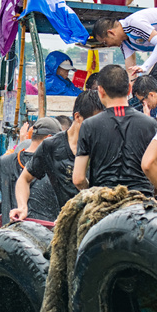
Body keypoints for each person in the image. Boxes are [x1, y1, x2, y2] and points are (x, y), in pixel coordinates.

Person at [11, 91, 104, 221]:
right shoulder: (52, 146)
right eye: (95, 122)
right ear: (77, 117)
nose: (100, 128)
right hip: (66, 222)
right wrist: (22, 207)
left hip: (99, 220)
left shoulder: (104, 145)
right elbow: (24, 179)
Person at [73, 64, 157, 196]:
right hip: (141, 203)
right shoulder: (150, 124)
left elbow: (78, 179)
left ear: (100, 91)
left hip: (104, 203)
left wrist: (93, 194)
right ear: (129, 89)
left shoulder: (89, 125)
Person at [0, 117, 62, 224]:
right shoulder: (56, 167)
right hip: (44, 233)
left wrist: (5, 209)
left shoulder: (3, 162)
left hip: (11, 232)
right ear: (48, 138)